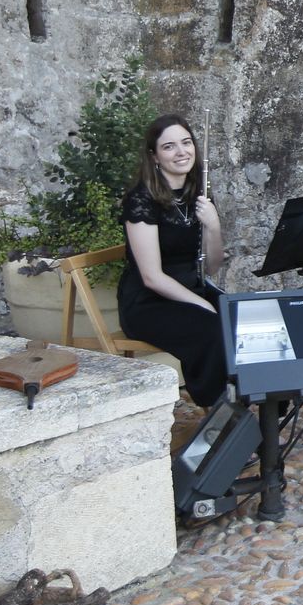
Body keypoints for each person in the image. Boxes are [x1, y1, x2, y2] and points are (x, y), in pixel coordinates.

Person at [117, 114, 229, 408]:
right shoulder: (141, 200)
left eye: (186, 142)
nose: (181, 152)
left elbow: (214, 266)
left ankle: (265, 410)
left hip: (191, 288)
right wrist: (200, 303)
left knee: (247, 320)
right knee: (212, 329)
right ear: (154, 156)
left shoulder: (199, 194)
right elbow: (152, 277)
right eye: (169, 147)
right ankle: (220, 415)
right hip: (149, 303)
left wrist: (214, 226)